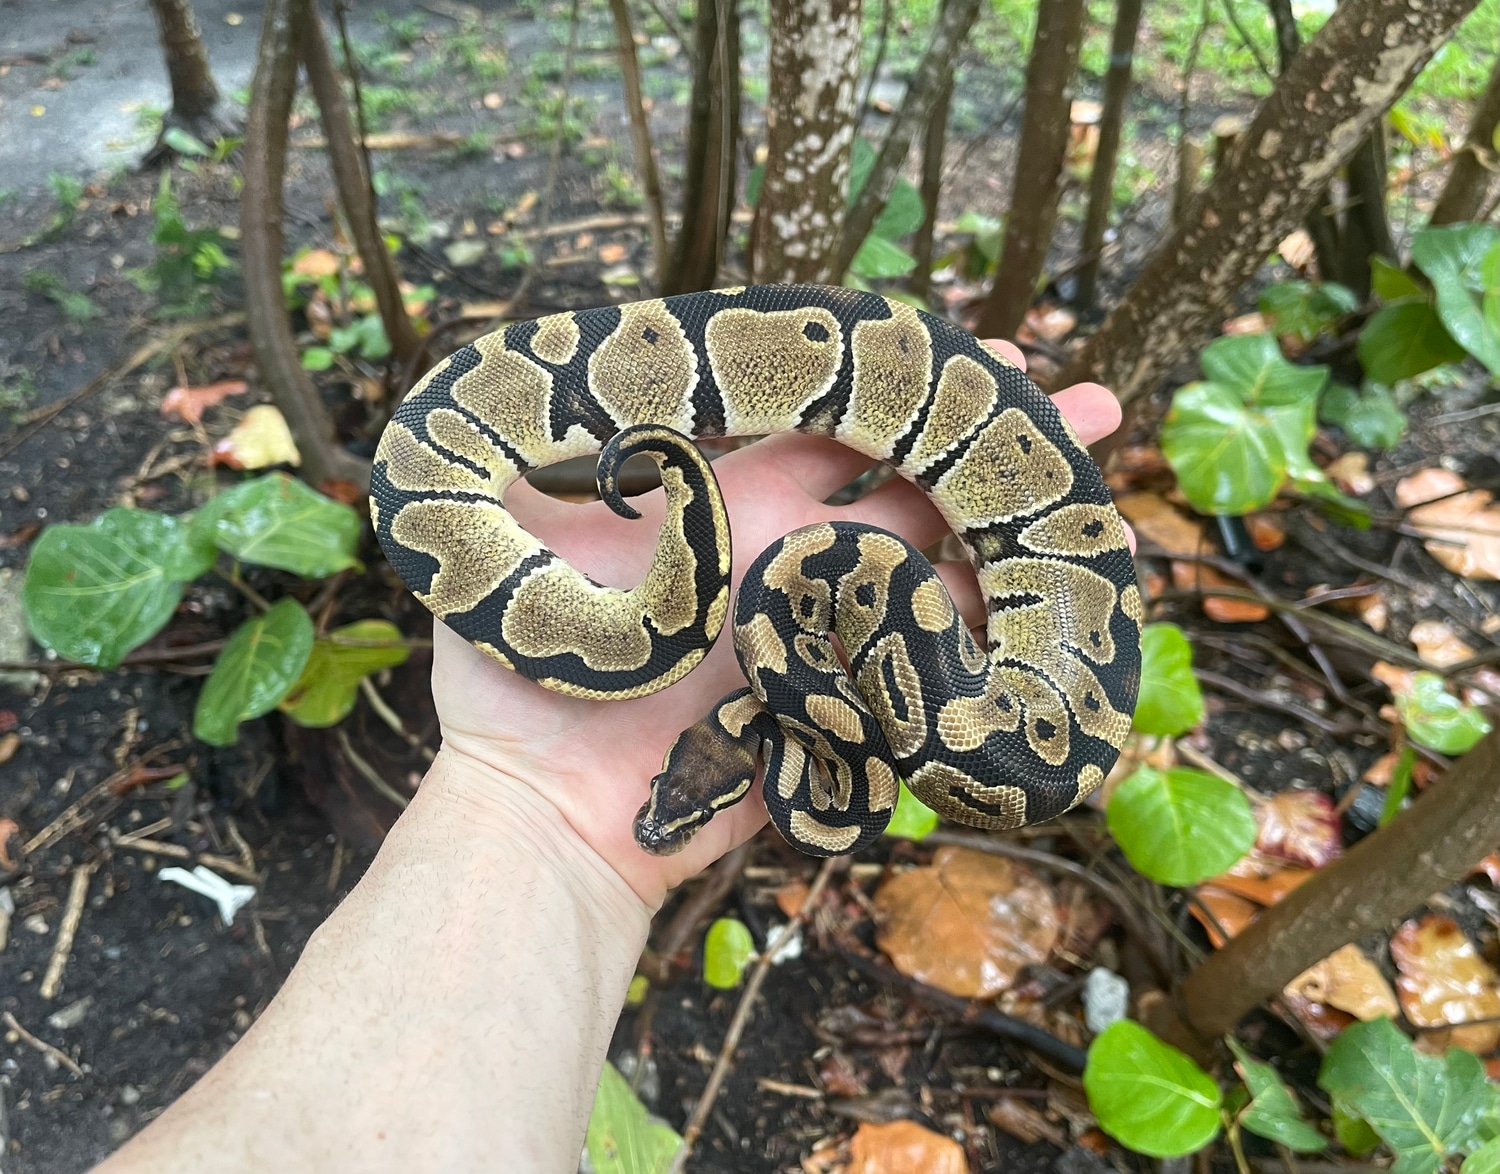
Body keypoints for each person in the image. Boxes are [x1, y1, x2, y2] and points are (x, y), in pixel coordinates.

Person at [95, 341, 1128, 1173]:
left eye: (670, 803)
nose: (660, 815)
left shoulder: (817, 683)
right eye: (678, 802)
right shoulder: (805, 692)